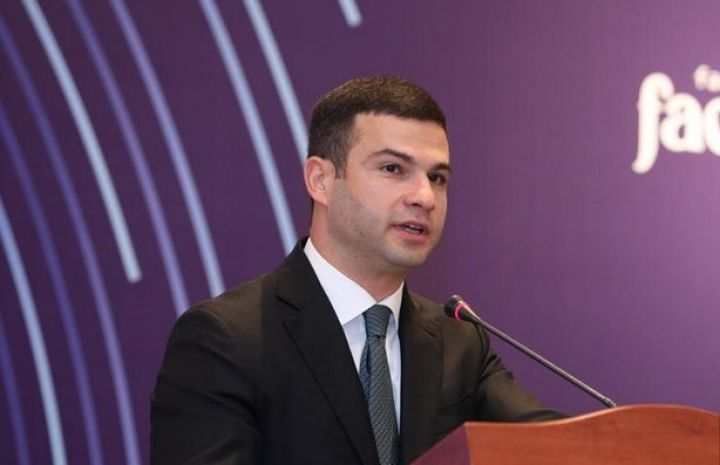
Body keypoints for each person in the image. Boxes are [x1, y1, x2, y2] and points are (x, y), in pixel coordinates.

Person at [150, 76, 563, 465]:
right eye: (393, 169)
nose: (425, 197)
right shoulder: (226, 339)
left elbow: (562, 447)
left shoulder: (460, 342)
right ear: (321, 180)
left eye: (437, 177)